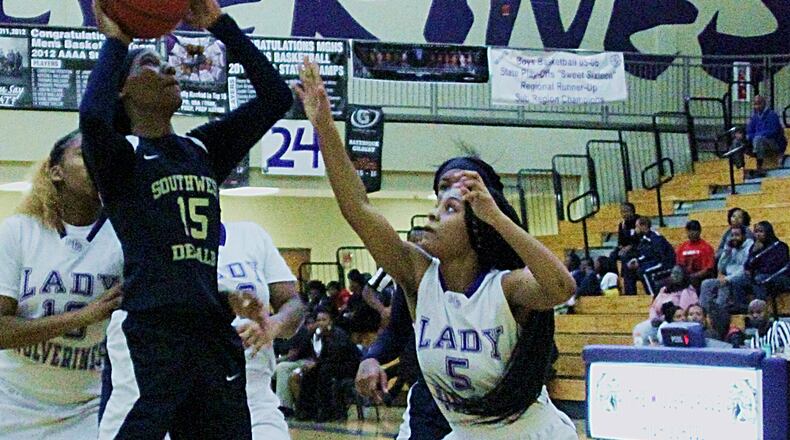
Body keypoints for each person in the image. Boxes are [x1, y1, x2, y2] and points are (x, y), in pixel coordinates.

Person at [296, 59, 577, 438]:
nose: (430, 216)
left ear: (477, 226)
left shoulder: (505, 288)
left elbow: (562, 288)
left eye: (448, 208)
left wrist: (497, 216)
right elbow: (358, 208)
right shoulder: (417, 275)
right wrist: (325, 129)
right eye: (435, 202)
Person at [81, 0, 293, 438]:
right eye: (151, 66)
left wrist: (221, 25)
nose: (169, 71)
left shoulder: (201, 150)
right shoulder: (120, 158)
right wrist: (118, 42)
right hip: (151, 332)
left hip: (211, 330)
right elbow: (91, 118)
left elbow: (276, 97)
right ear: (122, 90)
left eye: (167, 65)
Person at [0, 131, 124, 439]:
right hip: (14, 400)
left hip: (89, 405)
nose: (97, 160)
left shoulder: (125, 235)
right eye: (84, 154)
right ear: (56, 171)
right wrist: (83, 316)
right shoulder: (18, 232)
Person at [357, 227, 452, 440]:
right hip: (428, 388)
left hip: (488, 403)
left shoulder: (502, 279)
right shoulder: (410, 278)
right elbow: (396, 330)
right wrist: (371, 357)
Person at [217, 222, 306, 439]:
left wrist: (273, 324)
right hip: (180, 393)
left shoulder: (250, 235)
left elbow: (293, 303)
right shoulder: (140, 235)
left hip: (254, 396)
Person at [294, 306, 361, 422]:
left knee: (324, 371)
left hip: (349, 366)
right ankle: (306, 411)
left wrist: (316, 364)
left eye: (323, 320)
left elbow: (337, 356)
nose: (320, 323)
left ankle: (326, 411)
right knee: (310, 373)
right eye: (318, 320)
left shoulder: (338, 334)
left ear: (330, 321)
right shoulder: (318, 335)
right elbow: (305, 353)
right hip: (331, 364)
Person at [700, 226, 754, 314]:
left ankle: (718, 314)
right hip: (727, 277)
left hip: (741, 278)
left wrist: (728, 279)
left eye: (737, 235)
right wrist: (727, 251)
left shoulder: (749, 247)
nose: (734, 238)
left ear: (744, 236)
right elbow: (720, 267)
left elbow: (745, 269)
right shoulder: (730, 246)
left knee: (725, 285)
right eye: (732, 235)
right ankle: (703, 313)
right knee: (706, 284)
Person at [733, 221, 790, 302]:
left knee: (759, 279)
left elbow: (772, 267)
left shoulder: (779, 246)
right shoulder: (755, 247)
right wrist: (754, 252)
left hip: (779, 277)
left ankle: (761, 307)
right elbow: (747, 266)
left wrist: (754, 272)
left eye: (761, 231)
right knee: (737, 281)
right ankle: (742, 307)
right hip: (759, 275)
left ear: (768, 232)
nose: (758, 234)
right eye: (756, 232)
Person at [628, 217, 676, 295]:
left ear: (644, 226)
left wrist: (641, 262)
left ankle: (653, 297)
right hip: (656, 262)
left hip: (665, 263)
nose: (635, 229)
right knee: (632, 270)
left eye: (637, 226)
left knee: (644, 272)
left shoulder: (655, 237)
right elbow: (645, 254)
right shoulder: (644, 239)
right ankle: (630, 294)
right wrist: (637, 260)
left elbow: (659, 255)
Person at [743, 95, 788, 174]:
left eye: (759, 103)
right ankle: (741, 168)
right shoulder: (755, 117)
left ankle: (759, 165)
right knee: (739, 142)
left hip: (775, 143)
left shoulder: (772, 115)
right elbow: (749, 132)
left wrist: (756, 136)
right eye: (755, 104)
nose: (756, 106)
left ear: (764, 103)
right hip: (759, 142)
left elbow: (772, 131)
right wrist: (751, 136)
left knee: (758, 139)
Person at [675, 220, 716, 291]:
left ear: (699, 231)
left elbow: (708, 269)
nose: (692, 233)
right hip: (685, 276)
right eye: (689, 231)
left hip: (699, 277)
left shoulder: (706, 247)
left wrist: (693, 276)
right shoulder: (681, 247)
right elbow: (678, 265)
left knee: (692, 281)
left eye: (694, 230)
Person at [611, 203, 640, 295]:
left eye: (626, 211)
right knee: (612, 255)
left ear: (633, 211)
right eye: (622, 212)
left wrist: (629, 247)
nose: (624, 214)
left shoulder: (639, 221)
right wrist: (621, 247)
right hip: (626, 247)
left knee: (625, 256)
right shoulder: (622, 224)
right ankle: (615, 281)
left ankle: (629, 289)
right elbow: (620, 241)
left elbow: (641, 239)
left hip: (637, 247)